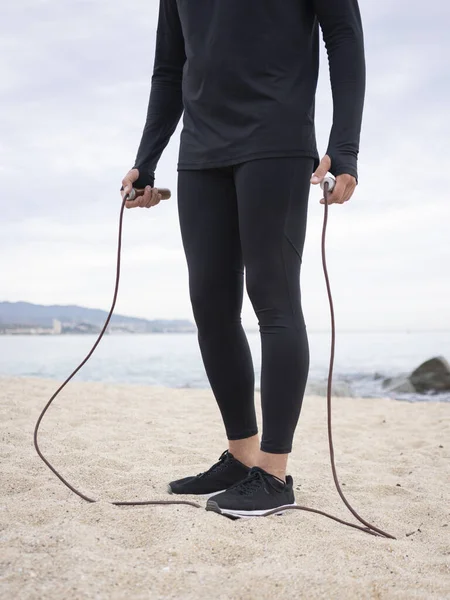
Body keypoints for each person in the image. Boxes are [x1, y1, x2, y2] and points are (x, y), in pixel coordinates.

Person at [121, 0, 365, 519]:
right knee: (210, 305)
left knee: (273, 299)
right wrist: (146, 160)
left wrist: (345, 146)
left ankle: (274, 473)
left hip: (276, 137)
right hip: (202, 149)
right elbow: (170, 68)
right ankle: (242, 455)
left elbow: (343, 39)